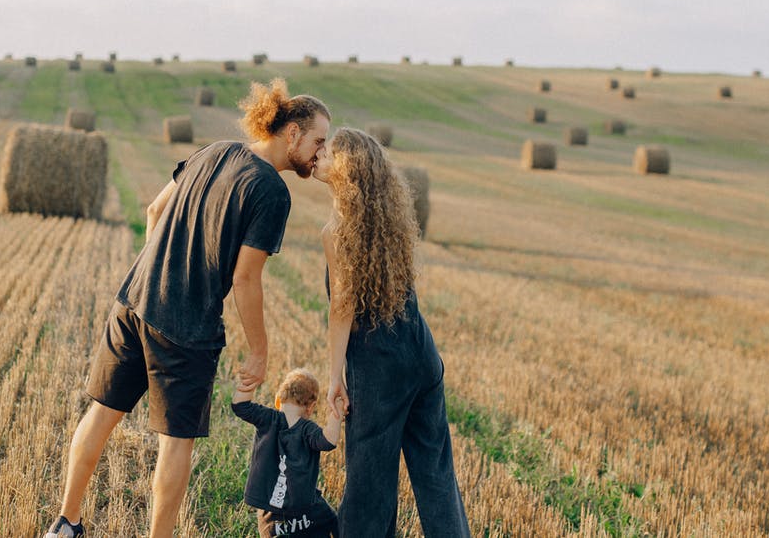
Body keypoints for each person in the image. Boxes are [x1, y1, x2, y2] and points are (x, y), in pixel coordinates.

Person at [43, 78, 331, 538]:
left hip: (134, 298)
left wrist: (162, 270)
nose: (320, 152)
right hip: (186, 328)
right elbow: (245, 278)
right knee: (174, 444)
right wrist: (259, 350)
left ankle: (65, 524)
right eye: (318, 141)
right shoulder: (272, 193)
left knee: (100, 413)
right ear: (292, 133)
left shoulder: (215, 150)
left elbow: (155, 212)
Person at [315, 128, 470, 537]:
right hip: (422, 358)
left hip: (379, 371)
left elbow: (342, 308)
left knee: (369, 483)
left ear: (345, 170)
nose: (318, 156)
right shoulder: (392, 221)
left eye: (327, 153)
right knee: (437, 476)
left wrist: (335, 379)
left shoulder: (337, 231)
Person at [232, 368, 341, 537]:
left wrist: (249, 379)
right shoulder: (307, 429)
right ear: (311, 407)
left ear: (277, 400)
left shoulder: (267, 418)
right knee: (332, 522)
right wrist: (337, 412)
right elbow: (328, 441)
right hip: (305, 508)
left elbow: (240, 406)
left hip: (269, 511)